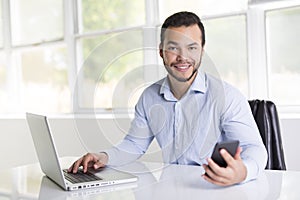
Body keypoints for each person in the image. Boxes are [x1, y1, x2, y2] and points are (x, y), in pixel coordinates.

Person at [69, 11, 268, 186]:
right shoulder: (149, 97)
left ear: (202, 51)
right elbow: (134, 145)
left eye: (192, 48)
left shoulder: (227, 96)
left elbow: (254, 148)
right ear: (161, 51)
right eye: (174, 48)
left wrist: (243, 171)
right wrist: (103, 157)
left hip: (216, 189)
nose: (183, 57)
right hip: (172, 188)